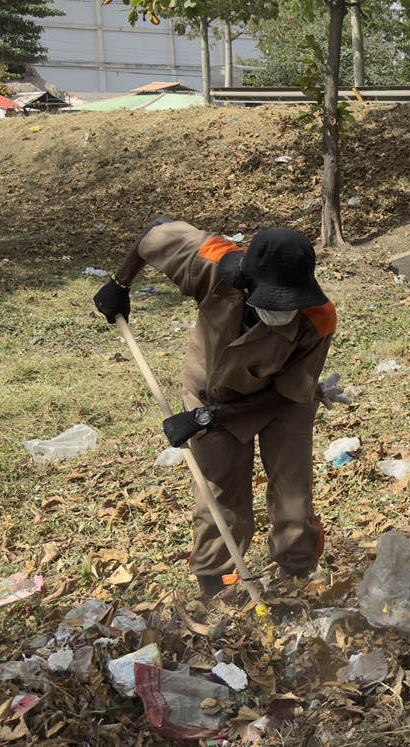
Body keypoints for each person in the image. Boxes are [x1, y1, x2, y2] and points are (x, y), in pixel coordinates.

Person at [93, 219, 342, 599]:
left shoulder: (319, 318)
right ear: (248, 283)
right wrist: (120, 284)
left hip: (281, 402)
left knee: (293, 495)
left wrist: (206, 419)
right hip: (209, 390)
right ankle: (218, 586)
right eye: (272, 300)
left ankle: (297, 574)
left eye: (289, 301)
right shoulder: (214, 261)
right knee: (218, 495)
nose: (282, 310)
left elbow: (287, 393)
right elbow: (153, 234)